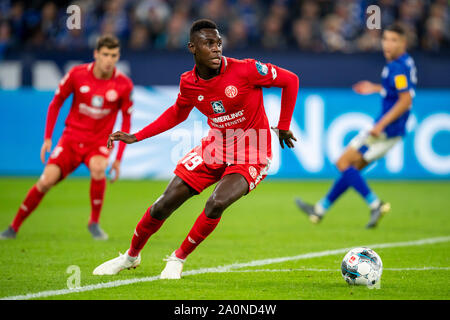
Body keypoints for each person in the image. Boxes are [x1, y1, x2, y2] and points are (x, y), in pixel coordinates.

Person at [92, 19, 299, 279]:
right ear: (192, 47)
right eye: (209, 44)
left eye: (219, 43)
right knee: (162, 205)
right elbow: (177, 114)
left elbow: (290, 80)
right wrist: (137, 136)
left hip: (252, 153)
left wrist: (282, 125)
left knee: (216, 203)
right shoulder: (189, 82)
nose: (216, 49)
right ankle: (130, 256)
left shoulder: (246, 70)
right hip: (215, 148)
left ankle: (178, 258)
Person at [0, 35, 133, 240]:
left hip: (98, 142)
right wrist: (47, 139)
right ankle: (13, 227)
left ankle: (94, 223)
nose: (109, 59)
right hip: (71, 139)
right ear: (96, 54)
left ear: (118, 57)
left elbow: (126, 122)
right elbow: (56, 103)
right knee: (45, 181)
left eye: (113, 55)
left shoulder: (123, 85)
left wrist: (118, 158)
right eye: (105, 54)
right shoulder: (77, 74)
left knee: (99, 168)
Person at [295, 24, 416, 228]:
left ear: (403, 43)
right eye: (385, 39)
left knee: (342, 163)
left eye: (393, 40)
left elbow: (405, 101)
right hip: (393, 130)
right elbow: (398, 89)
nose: (387, 44)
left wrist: (380, 125)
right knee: (352, 170)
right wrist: (375, 87)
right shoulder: (404, 62)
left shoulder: (397, 66)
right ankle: (320, 210)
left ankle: (376, 204)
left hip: (386, 129)